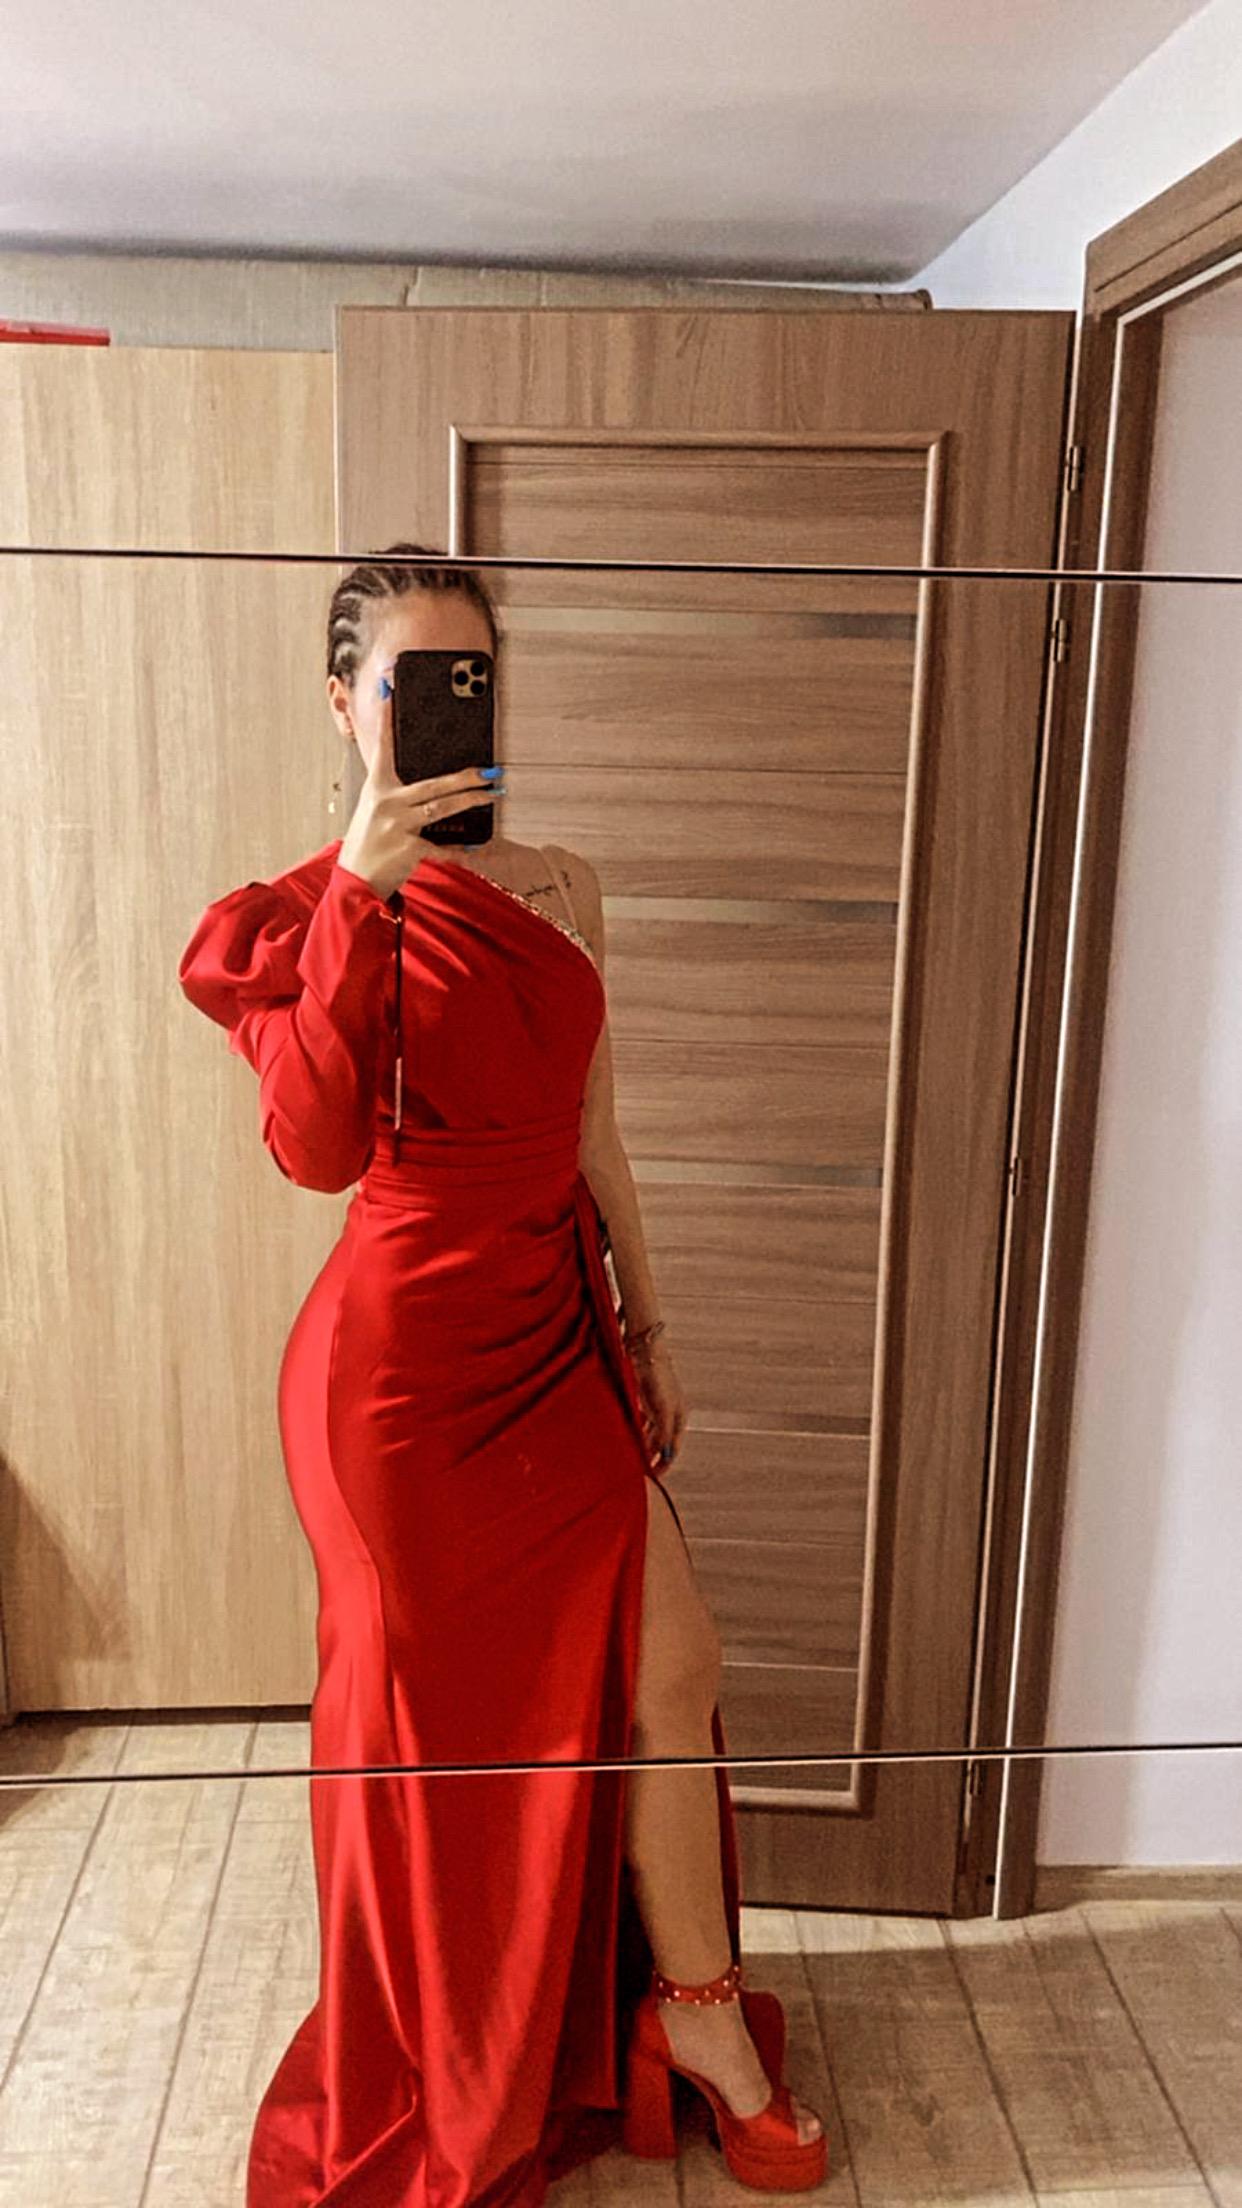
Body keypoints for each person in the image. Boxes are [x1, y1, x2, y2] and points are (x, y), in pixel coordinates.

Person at [178, 543, 828, 2205]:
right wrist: (360, 892)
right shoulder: (289, 918)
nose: (447, 705)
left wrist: (647, 1324)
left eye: (471, 677)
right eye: (411, 681)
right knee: (424, 1746)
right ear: (348, 704)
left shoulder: (561, 885)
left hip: (552, 1334)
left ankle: (696, 2021)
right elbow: (316, 1150)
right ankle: (451, 2054)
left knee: (670, 1667)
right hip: (392, 1388)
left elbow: (595, 1126)